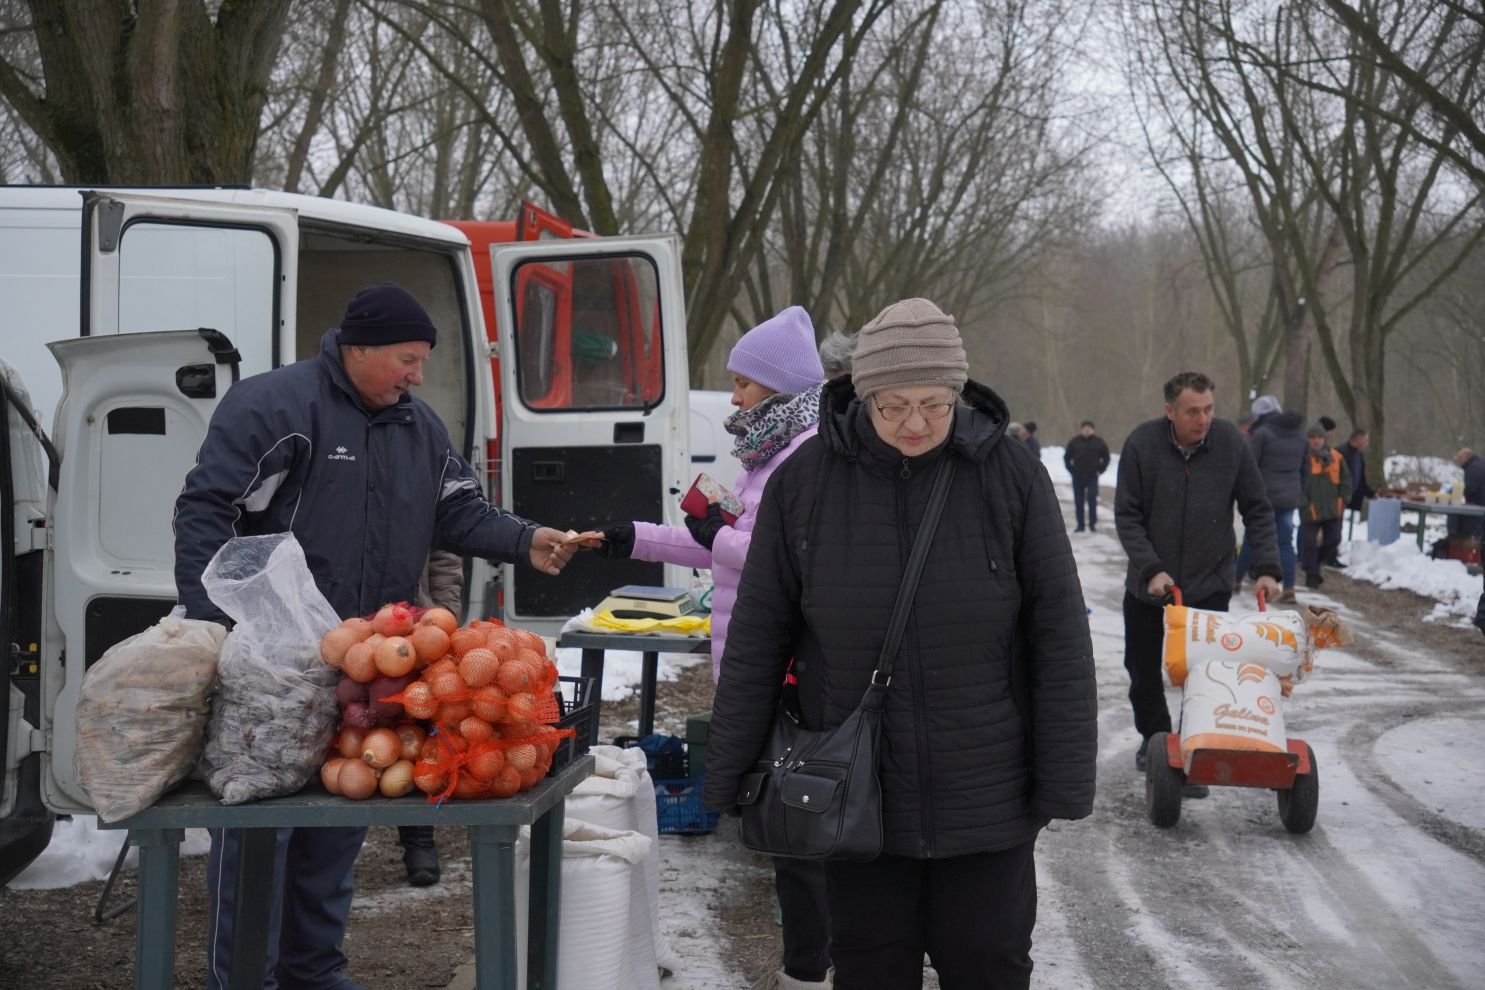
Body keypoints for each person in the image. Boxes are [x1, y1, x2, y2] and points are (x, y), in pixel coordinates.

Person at [174, 282, 581, 990]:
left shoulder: (418, 428)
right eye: (406, 359)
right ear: (357, 349)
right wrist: (218, 622)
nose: (417, 375)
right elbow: (208, 508)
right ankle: (244, 980)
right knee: (263, 828)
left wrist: (526, 539)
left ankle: (312, 972)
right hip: (274, 668)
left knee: (342, 809)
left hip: (370, 663)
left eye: (422, 360)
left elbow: (459, 512)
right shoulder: (276, 407)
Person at [701, 298, 1097, 990]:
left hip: (987, 795)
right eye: (893, 406)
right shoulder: (805, 483)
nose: (915, 423)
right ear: (863, 395)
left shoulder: (1011, 477)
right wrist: (728, 770)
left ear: (958, 394)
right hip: (856, 796)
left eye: (934, 404)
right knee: (869, 967)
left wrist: (1062, 777)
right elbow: (760, 637)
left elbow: (1058, 634)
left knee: (988, 963)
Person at [593, 306, 834, 990]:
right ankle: (811, 961)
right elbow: (724, 542)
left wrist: (715, 535)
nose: (733, 398)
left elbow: (773, 555)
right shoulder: (769, 455)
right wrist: (633, 537)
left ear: (779, 387)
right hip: (753, 669)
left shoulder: (805, 457)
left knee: (797, 828)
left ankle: (810, 969)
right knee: (784, 824)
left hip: (788, 675)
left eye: (743, 383)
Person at [1114, 372, 1280, 784]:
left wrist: (1267, 568)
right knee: (1143, 669)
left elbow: (1257, 509)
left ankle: (1193, 746)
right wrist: (1151, 568)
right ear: (1169, 412)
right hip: (1151, 587)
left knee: (1206, 675)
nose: (1202, 419)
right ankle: (1155, 740)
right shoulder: (1141, 445)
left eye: (1208, 410)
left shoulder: (1231, 444)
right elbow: (1128, 516)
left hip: (1209, 583)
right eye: (1192, 412)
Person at [395, 550, 464, 888]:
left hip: (419, 624)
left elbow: (444, 557)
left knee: (420, 729)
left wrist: (444, 613)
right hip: (349, 623)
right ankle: (330, 854)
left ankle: (419, 840)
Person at [1234, 395, 1305, 603]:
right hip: (1289, 497)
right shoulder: (1300, 436)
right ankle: (1289, 588)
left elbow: (1249, 465)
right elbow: (1305, 469)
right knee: (1285, 543)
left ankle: (1235, 580)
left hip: (1264, 496)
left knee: (1252, 538)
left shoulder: (1262, 434)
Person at [1298, 423, 1353, 589]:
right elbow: (1297, 484)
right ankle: (1311, 575)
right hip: (1310, 509)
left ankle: (1314, 564)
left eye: (1319, 437)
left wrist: (1343, 500)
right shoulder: (1302, 458)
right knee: (1309, 543)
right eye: (1312, 438)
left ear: (1324, 439)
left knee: (1334, 539)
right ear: (1307, 439)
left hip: (1332, 509)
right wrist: (1304, 503)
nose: (1316, 441)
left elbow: (1346, 481)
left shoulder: (1337, 457)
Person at [1063, 420, 1110, 533]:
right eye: (1085, 428)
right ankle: (1080, 525)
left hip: (1092, 476)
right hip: (1078, 476)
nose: (1087, 430)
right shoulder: (1074, 441)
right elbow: (1067, 457)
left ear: (1093, 430)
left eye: (1089, 428)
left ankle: (1092, 524)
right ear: (1082, 429)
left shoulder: (1099, 442)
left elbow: (1106, 457)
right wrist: (1071, 470)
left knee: (1092, 500)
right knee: (1078, 501)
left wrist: (1101, 470)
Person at [1449, 448, 1484, 543]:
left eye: (1460, 458)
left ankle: (1461, 543)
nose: (1459, 461)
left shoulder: (1473, 468)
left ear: (1468, 456)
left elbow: (1470, 488)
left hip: (1480, 504)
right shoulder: (1480, 463)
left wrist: (1466, 498)